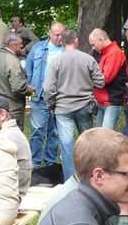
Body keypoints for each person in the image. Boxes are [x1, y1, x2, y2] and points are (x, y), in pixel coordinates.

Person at [43, 30, 105, 182]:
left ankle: (70, 182)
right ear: (76, 41)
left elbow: (48, 88)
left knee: (66, 147)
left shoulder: (56, 61)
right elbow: (100, 82)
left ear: (62, 42)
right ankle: (90, 179)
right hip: (85, 106)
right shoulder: (88, 59)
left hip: (63, 109)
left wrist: (51, 104)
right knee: (89, 144)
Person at [24, 21, 65, 169]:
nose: (59, 38)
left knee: (55, 133)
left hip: (59, 98)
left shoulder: (67, 49)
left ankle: (50, 162)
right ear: (50, 33)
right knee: (37, 131)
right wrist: (30, 85)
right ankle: (34, 163)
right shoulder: (38, 48)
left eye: (62, 34)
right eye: (56, 34)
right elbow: (28, 67)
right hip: (39, 96)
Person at [0, 95, 32, 195]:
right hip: (8, 190)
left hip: (8, 194)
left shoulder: (6, 136)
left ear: (2, 115)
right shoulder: (9, 132)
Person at [0, 33, 31, 127]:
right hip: (12, 110)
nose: (22, 46)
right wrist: (30, 90)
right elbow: (18, 88)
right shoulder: (13, 62)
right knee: (12, 135)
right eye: (20, 43)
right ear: (13, 45)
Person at [89, 28, 128, 131]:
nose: (93, 48)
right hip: (102, 101)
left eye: (94, 44)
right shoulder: (106, 53)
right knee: (100, 136)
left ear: (101, 39)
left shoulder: (114, 53)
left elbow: (105, 79)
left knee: (105, 136)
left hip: (111, 102)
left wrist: (88, 80)